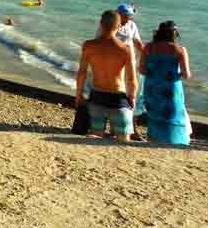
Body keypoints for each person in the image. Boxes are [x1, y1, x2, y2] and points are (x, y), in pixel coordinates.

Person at [75, 10, 137, 142]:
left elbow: (82, 73)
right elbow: (131, 80)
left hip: (97, 97)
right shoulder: (125, 50)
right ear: (119, 26)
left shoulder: (89, 46)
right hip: (118, 99)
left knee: (96, 138)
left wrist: (78, 94)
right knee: (123, 141)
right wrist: (132, 98)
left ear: (100, 24)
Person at [139, 21, 192, 146]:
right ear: (174, 34)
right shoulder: (179, 50)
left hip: (151, 87)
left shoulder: (148, 47)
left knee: (154, 115)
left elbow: (141, 70)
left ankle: (154, 140)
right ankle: (176, 141)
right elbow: (186, 74)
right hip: (170, 89)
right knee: (173, 116)